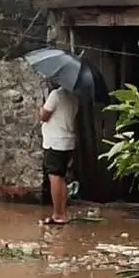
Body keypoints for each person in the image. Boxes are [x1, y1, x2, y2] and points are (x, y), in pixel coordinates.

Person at [38, 82, 79, 225]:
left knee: (54, 177)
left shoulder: (55, 95)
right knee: (61, 178)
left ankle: (58, 214)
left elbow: (44, 116)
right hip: (67, 141)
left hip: (55, 142)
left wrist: (41, 107)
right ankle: (62, 213)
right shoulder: (74, 97)